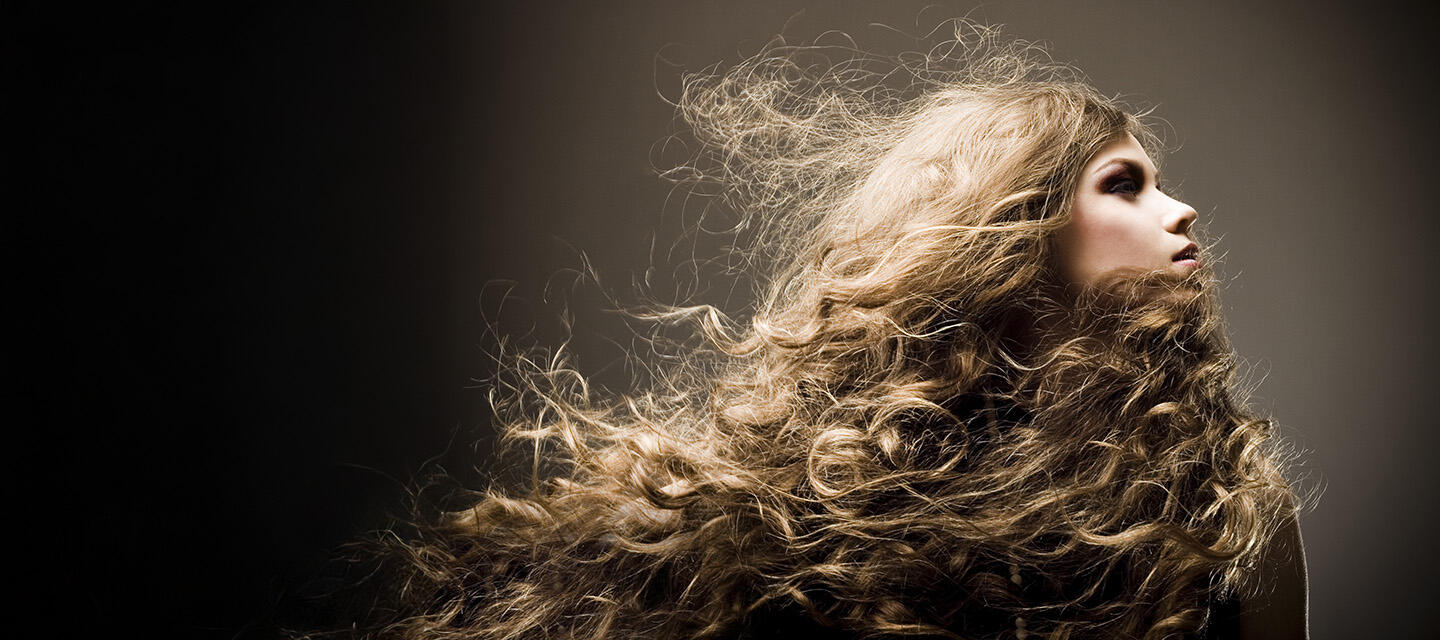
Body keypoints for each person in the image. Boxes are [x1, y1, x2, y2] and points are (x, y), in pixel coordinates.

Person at [323, 23, 1307, 640]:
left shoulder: (1234, 509)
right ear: (1019, 232)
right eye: (1125, 183)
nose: (1181, 211)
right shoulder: (850, 486)